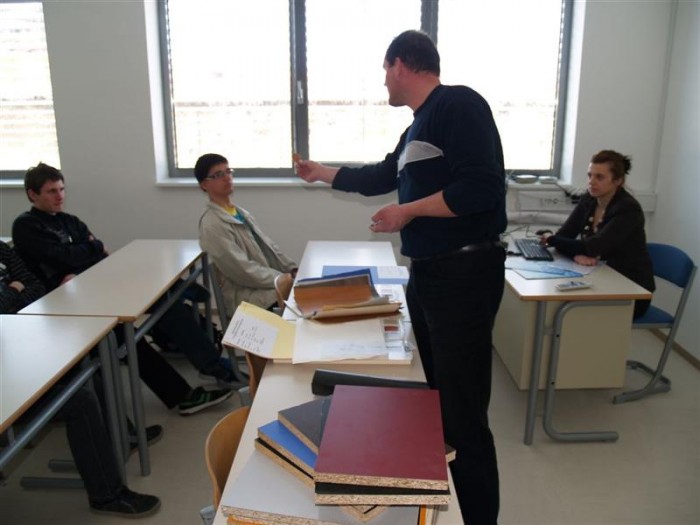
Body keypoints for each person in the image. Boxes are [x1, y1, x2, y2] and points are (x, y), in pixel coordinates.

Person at [295, 30, 506, 525]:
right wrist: (322, 172)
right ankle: (439, 499)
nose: (384, 82)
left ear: (400, 65)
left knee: (463, 414)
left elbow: (481, 188)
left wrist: (407, 211)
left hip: (464, 274)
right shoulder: (417, 127)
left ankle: (478, 516)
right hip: (431, 275)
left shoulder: (458, 104)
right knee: (434, 400)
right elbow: (382, 174)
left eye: (385, 71)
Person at [12, 162, 233, 415]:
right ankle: (183, 397)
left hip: (92, 288)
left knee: (167, 301)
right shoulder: (26, 226)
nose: (60, 196)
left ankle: (211, 364)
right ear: (32, 194)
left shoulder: (69, 220)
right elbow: (66, 256)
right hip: (62, 305)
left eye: (62, 189)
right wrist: (87, 251)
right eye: (52, 191)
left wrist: (82, 256)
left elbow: (98, 252)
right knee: (125, 336)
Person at [0, 242, 160, 518]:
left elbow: (35, 287)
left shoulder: (2, 250)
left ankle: (122, 437)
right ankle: (107, 494)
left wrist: (13, 293)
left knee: (83, 368)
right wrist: (14, 289)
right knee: (80, 399)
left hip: (18, 344)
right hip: (12, 367)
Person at [539, 150, 655, 318]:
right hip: (600, 278)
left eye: (599, 177)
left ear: (617, 181)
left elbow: (593, 247)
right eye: (590, 175)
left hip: (632, 290)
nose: (591, 182)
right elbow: (565, 235)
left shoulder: (628, 209)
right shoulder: (590, 198)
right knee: (562, 306)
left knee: (572, 313)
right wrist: (575, 254)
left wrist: (551, 239)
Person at [194, 153, 298, 318]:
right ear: (204, 185)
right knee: (303, 306)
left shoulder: (239, 212)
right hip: (248, 298)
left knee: (312, 294)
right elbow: (242, 271)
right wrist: (282, 279)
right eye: (218, 175)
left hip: (265, 286)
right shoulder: (212, 225)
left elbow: (271, 248)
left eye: (228, 171)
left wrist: (293, 270)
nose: (227, 178)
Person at [0, 240, 45, 313]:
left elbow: (36, 286)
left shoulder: (2, 248)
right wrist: (14, 289)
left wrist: (9, 307)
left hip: (18, 315)